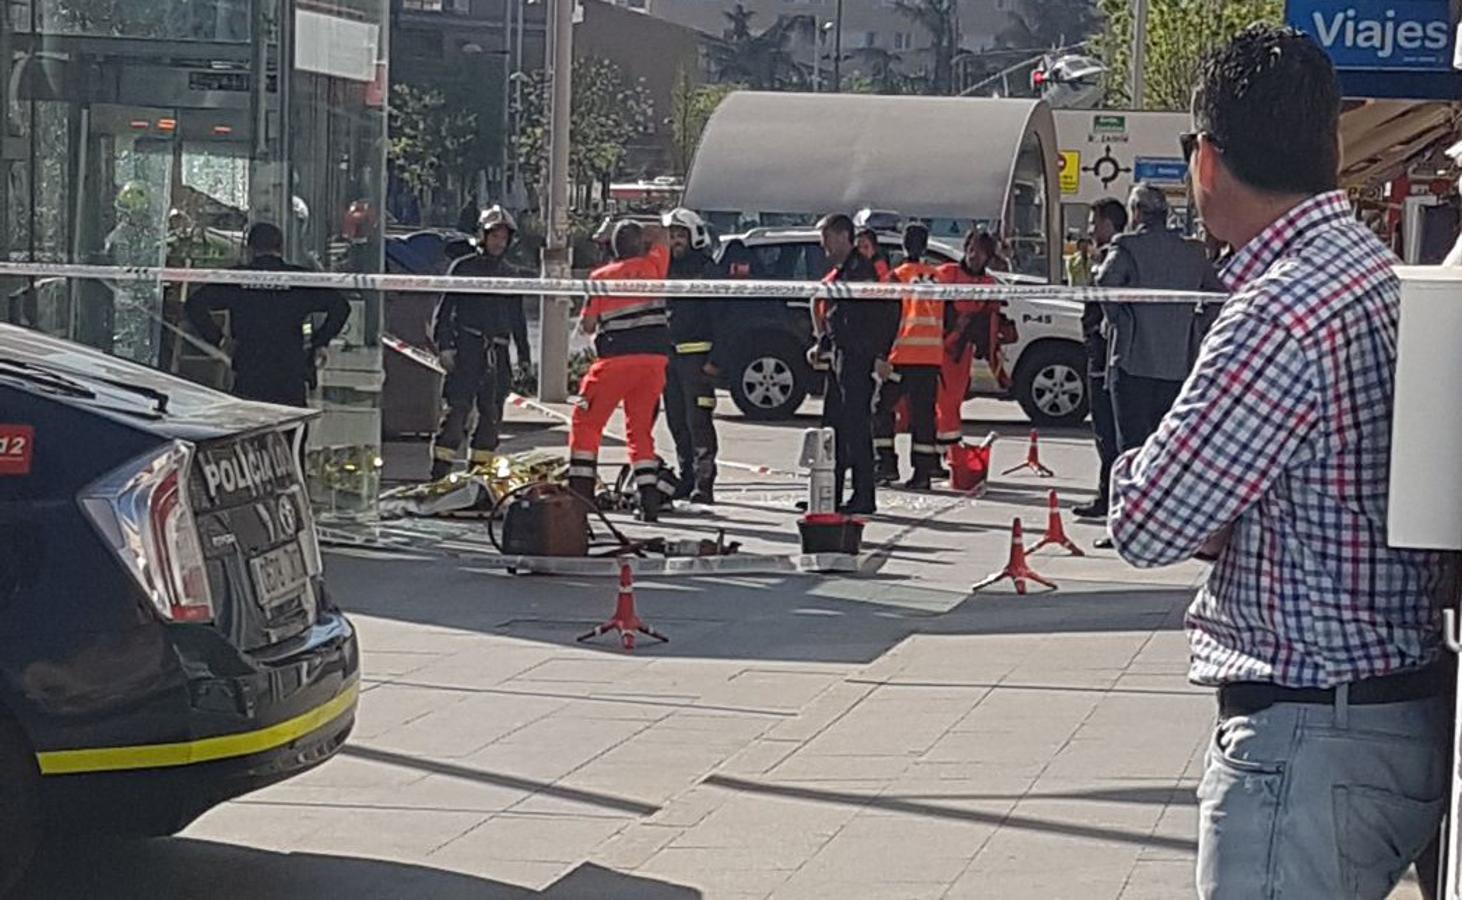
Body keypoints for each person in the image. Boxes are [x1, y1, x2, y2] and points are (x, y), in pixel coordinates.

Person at [1108, 25, 1455, 900]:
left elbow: (1148, 522)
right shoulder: (1370, 270)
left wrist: (1193, 493)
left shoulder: (1279, 308)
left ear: (1206, 161)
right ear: (1331, 147)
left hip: (1306, 736)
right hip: (1389, 710)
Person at [1096, 183, 1223, 453]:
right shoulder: (1192, 252)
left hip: (1133, 361)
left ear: (1137, 213)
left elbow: (1105, 284)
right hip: (1178, 364)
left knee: (1131, 446)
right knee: (1167, 447)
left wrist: (1119, 321)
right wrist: (1196, 327)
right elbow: (1218, 296)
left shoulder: (1128, 246)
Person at [568, 220, 674, 522]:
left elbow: (587, 326)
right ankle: (649, 500)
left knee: (584, 421)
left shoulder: (600, 277)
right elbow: (663, 234)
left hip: (614, 363)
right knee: (639, 431)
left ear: (611, 248)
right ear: (640, 245)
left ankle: (581, 494)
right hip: (653, 364)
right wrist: (644, 227)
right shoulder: (655, 267)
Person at [185, 222, 350, 407]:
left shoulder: (238, 279)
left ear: (250, 249)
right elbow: (341, 307)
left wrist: (220, 340)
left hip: (250, 366)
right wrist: (319, 342)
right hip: (289, 368)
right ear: (281, 248)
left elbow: (194, 305)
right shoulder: (298, 280)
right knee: (291, 428)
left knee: (250, 425)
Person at [426, 205, 532, 479]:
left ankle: (478, 479)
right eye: (494, 236)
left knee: (491, 418)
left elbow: (517, 319)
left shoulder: (510, 274)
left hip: (497, 354)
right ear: (482, 236)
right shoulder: (463, 268)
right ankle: (439, 476)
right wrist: (445, 346)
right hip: (467, 350)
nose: (499, 242)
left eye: (503, 237)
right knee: (456, 414)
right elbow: (444, 311)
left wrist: (523, 357)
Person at [809, 213, 898, 515]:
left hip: (858, 357)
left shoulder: (863, 271)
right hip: (840, 354)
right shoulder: (843, 271)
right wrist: (823, 344)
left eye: (826, 239)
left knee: (857, 427)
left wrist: (879, 355)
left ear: (842, 236)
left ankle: (864, 494)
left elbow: (884, 313)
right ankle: (829, 494)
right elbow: (835, 315)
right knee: (833, 427)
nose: (823, 246)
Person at [872, 223, 943, 489]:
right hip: (931, 357)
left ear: (903, 245)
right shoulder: (937, 277)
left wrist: (881, 354)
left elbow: (887, 319)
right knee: (923, 416)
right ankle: (922, 473)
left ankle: (886, 464)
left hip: (903, 355)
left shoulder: (897, 277)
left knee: (880, 408)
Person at [1072, 198, 1128, 521]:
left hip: (1106, 355)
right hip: (1101, 351)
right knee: (1105, 431)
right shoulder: (1104, 258)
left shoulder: (1115, 259)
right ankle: (1105, 494)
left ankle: (1110, 498)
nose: (1091, 230)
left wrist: (1095, 337)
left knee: (1108, 431)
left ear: (1109, 224)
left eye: (1095, 223)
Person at [661, 207, 721, 504]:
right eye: (672, 235)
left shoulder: (708, 270)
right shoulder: (664, 270)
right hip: (670, 360)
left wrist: (717, 360)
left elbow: (726, 319)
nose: (676, 241)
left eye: (681, 235)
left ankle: (704, 483)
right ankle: (686, 477)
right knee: (676, 420)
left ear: (694, 236)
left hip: (698, 360)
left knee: (699, 422)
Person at [934, 232, 1004, 455]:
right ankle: (943, 450)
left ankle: (948, 449)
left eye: (981, 251)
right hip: (939, 346)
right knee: (942, 402)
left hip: (962, 351)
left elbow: (993, 318)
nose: (974, 255)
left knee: (954, 401)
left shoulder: (988, 283)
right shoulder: (947, 274)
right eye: (971, 249)